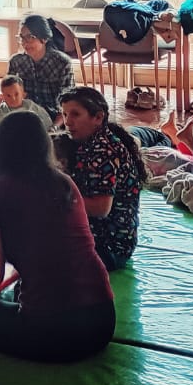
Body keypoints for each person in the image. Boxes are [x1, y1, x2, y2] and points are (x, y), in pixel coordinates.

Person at [0, 111, 115, 362]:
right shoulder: (63, 182)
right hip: (103, 322)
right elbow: (48, 243)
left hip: (53, 334)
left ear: (0, 146)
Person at [58, 87, 146, 270]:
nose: (68, 122)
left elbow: (100, 208)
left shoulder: (104, 150)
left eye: (75, 115)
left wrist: (52, 199)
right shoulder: (89, 143)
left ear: (97, 118)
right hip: (96, 238)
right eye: (65, 115)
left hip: (109, 247)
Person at [7, 14, 75, 122]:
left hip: (54, 117)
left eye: (30, 37)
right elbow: (9, 96)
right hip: (26, 114)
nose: (24, 43)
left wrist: (54, 128)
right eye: (21, 38)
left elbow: (68, 105)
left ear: (44, 39)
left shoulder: (62, 63)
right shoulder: (16, 61)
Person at [0, 74, 53, 138]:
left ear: (23, 94)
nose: (13, 99)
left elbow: (46, 120)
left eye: (16, 94)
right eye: (8, 96)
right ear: (2, 97)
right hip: (13, 137)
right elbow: (1, 127)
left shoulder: (30, 105)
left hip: (33, 136)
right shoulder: (2, 110)